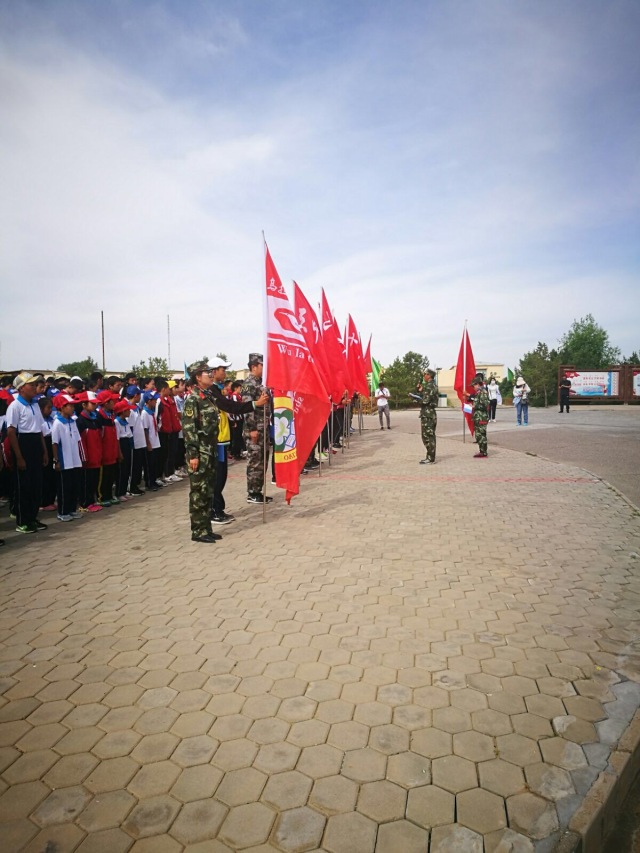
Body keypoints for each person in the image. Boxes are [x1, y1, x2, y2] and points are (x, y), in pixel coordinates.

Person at [208, 356, 268, 524]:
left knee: (221, 476)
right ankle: (214, 510)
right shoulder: (210, 391)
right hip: (215, 440)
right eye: (223, 370)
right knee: (217, 477)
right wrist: (255, 405)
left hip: (221, 439)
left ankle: (217, 509)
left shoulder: (215, 390)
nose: (224, 373)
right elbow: (231, 407)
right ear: (214, 372)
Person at [182, 361, 222, 543]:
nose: (211, 375)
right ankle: (198, 531)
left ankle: (206, 527)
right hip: (200, 452)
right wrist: (193, 455)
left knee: (208, 490)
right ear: (198, 377)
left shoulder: (208, 396)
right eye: (207, 373)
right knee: (198, 491)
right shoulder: (193, 399)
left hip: (210, 450)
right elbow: (189, 429)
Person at [6, 372, 49, 534]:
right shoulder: (15, 406)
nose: (34, 387)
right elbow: (11, 432)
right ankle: (23, 521)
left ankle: (32, 517)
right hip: (23, 445)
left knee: (36, 485)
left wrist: (44, 451)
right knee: (24, 486)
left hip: (36, 445)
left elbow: (39, 430)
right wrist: (19, 457)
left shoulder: (35, 405)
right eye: (31, 385)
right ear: (22, 388)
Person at [241, 353, 273, 504]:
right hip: (254, 429)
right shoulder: (249, 384)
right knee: (255, 461)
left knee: (263, 460)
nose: (264, 368)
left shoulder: (261, 382)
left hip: (264, 427)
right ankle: (252, 492)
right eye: (262, 365)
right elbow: (247, 408)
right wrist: (252, 428)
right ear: (254, 367)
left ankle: (258, 490)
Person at [51, 394, 83, 521]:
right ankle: (63, 511)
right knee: (64, 487)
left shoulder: (72, 421)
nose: (73, 408)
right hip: (65, 461)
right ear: (62, 407)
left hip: (74, 460)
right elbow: (54, 443)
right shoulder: (57, 423)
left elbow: (77, 440)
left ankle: (72, 509)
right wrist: (56, 460)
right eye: (70, 406)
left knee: (74, 486)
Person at [409, 369, 438, 464]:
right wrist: (420, 391)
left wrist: (415, 398)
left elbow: (425, 401)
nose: (424, 376)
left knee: (428, 437)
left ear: (429, 375)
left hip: (428, 414)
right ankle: (430, 456)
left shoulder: (430, 386)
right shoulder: (431, 386)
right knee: (428, 436)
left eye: (425, 374)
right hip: (428, 413)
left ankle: (430, 458)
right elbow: (426, 397)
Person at [470, 377, 490, 457]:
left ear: (477, 384)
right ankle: (482, 451)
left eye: (473, 386)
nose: (473, 388)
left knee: (481, 435)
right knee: (478, 435)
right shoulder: (479, 392)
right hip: (478, 416)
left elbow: (485, 405)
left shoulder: (483, 392)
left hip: (482, 417)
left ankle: (483, 452)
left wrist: (475, 406)